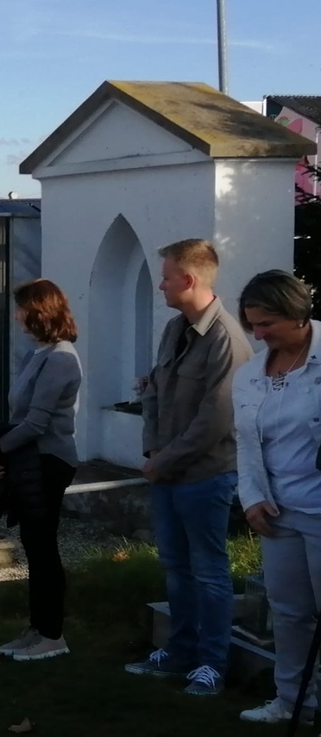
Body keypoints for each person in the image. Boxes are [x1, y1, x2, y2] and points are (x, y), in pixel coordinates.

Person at [127, 239, 253, 696]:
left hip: (205, 477)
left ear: (189, 279)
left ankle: (212, 664)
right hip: (166, 473)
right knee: (176, 568)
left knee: (209, 572)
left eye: (165, 277)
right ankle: (180, 651)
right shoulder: (174, 329)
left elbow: (215, 420)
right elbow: (155, 391)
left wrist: (165, 460)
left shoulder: (226, 340)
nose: (160, 285)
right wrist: (151, 450)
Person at [231, 271, 321, 725]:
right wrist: (250, 498)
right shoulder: (250, 374)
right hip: (277, 511)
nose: (258, 335)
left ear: (297, 313)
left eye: (267, 324)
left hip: (319, 508)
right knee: (288, 613)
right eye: (252, 325)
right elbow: (245, 442)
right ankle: (293, 702)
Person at [0, 280, 81, 661]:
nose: (17, 316)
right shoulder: (36, 354)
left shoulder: (61, 358)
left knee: (43, 548)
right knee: (33, 544)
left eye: (22, 309)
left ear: (40, 312)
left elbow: (37, 422)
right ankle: (38, 627)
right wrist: (3, 451)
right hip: (29, 459)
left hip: (49, 461)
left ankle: (52, 634)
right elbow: (20, 416)